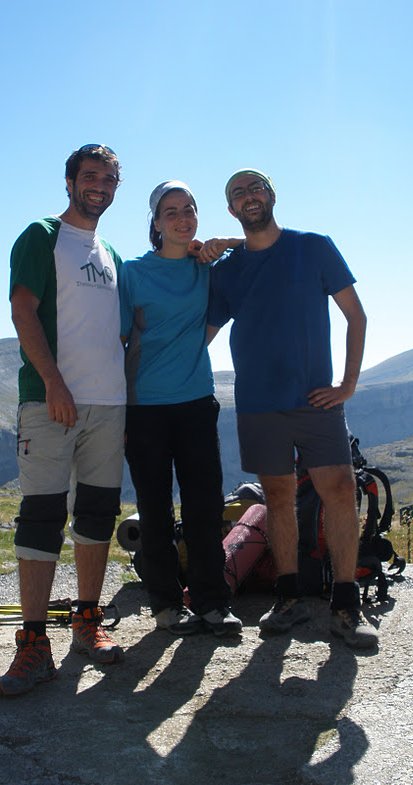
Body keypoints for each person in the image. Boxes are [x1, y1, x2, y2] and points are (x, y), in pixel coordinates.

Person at [205, 168, 378, 648]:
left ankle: (346, 604)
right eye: (237, 193)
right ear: (231, 209)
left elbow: (356, 315)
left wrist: (347, 384)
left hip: (314, 399)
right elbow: (203, 334)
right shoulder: (228, 270)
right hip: (258, 403)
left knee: (340, 489)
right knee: (277, 498)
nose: (248, 196)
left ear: (271, 195)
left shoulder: (313, 246)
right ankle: (289, 598)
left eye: (254, 187)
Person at [0, 144, 127, 697]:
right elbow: (22, 308)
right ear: (70, 181)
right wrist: (53, 382)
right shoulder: (41, 235)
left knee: (97, 513)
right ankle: (32, 644)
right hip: (51, 401)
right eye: (90, 176)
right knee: (42, 515)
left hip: (109, 405)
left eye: (108, 178)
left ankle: (85, 625)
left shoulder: (110, 249)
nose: (99, 185)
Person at [119, 180, 242, 637]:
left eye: (188, 209)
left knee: (204, 507)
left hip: (195, 400)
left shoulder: (204, 266)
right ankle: (166, 606)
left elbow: (255, 244)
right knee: (154, 508)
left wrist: (218, 243)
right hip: (145, 406)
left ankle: (213, 604)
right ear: (155, 223)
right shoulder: (132, 272)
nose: (180, 216)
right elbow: (117, 340)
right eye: (169, 211)